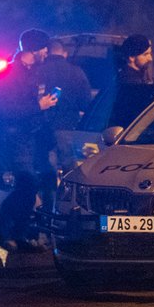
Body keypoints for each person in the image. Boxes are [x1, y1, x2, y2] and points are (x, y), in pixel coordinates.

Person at [0, 29, 58, 251]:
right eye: (45, 48)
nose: (47, 52)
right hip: (15, 138)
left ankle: (19, 234)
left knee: (33, 185)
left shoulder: (34, 72)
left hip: (33, 138)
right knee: (28, 185)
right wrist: (39, 106)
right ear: (35, 49)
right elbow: (4, 110)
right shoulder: (10, 73)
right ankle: (2, 227)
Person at [36, 39, 93, 204]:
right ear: (65, 53)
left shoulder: (39, 71)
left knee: (47, 172)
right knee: (71, 172)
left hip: (43, 129)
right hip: (68, 128)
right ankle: (70, 208)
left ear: (48, 52)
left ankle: (48, 209)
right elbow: (86, 102)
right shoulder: (76, 72)